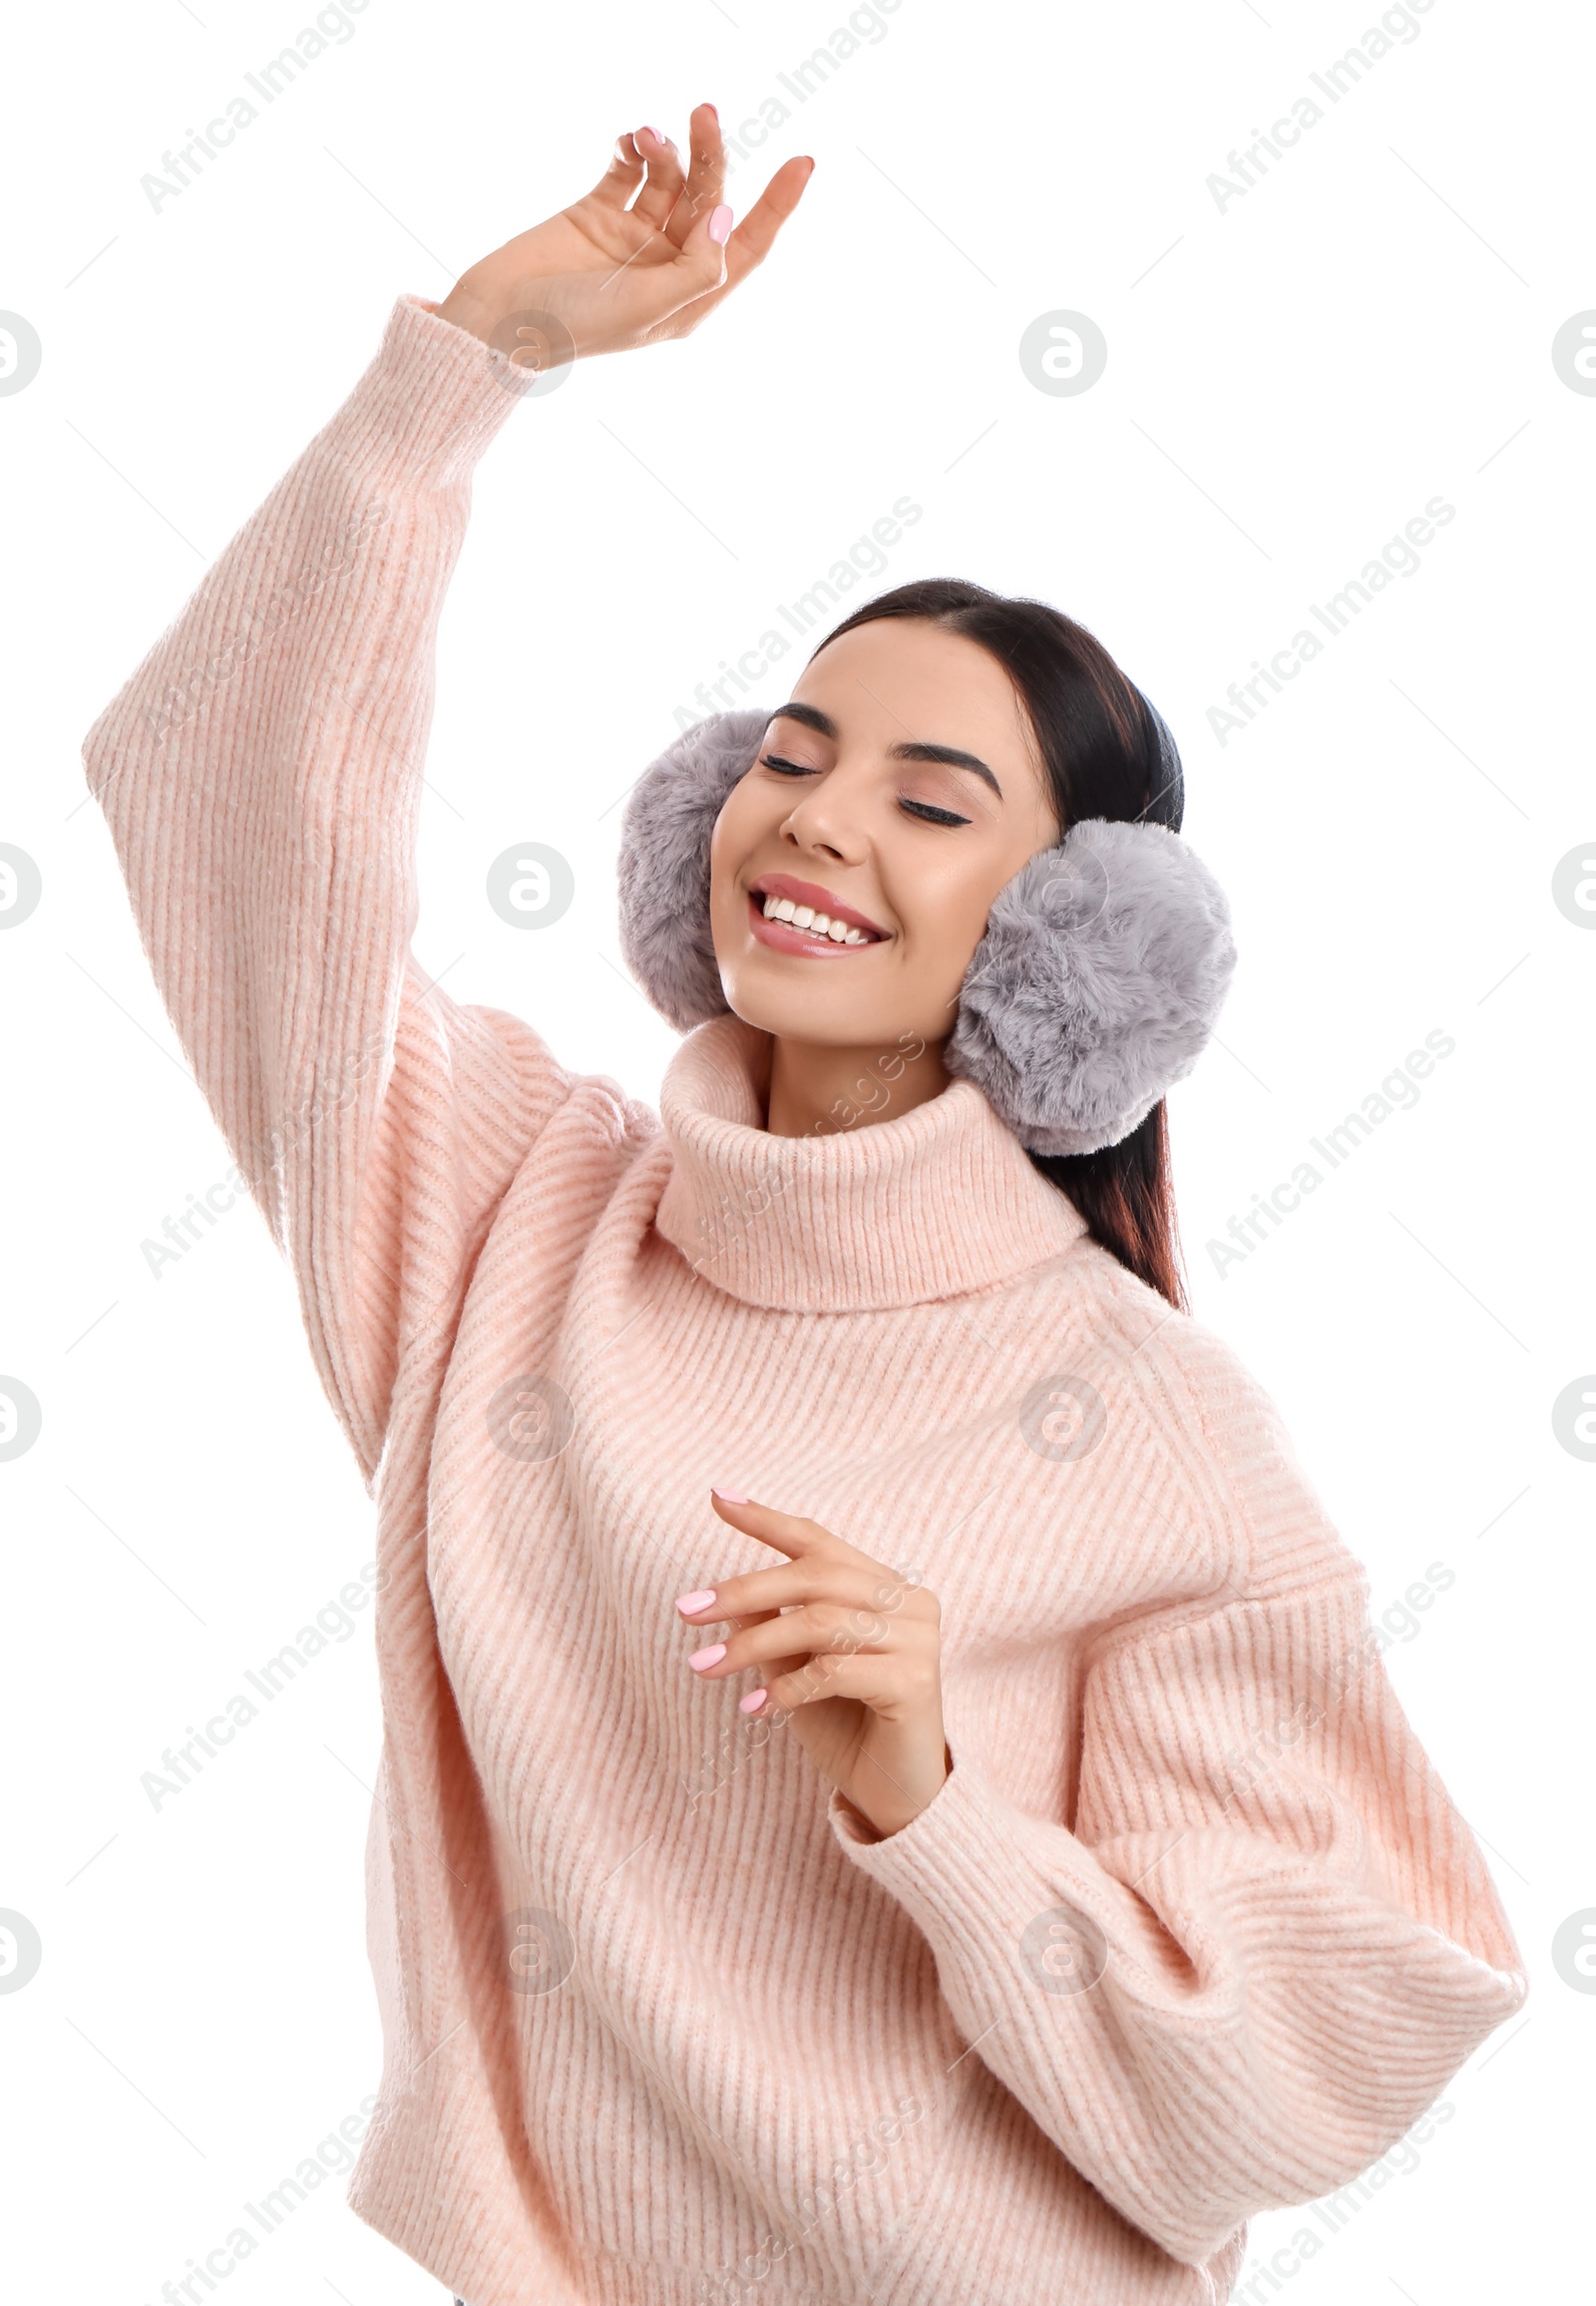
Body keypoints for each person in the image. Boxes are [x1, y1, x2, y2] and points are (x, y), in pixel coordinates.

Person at [83, 103, 1524, 2306]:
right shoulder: (503, 1220)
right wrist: (469, 361)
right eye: (791, 748)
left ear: (1070, 934)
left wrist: (931, 1799)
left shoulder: (1143, 1415)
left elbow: (1331, 2037)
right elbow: (214, 793)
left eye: (926, 797)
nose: (811, 821)